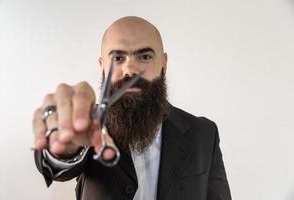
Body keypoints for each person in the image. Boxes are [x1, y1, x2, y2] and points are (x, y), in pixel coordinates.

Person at [33, 16, 232, 200]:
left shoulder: (204, 133)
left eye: (144, 57)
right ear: (103, 66)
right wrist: (63, 144)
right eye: (118, 59)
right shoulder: (89, 124)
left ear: (163, 64)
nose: (130, 69)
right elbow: (56, 167)